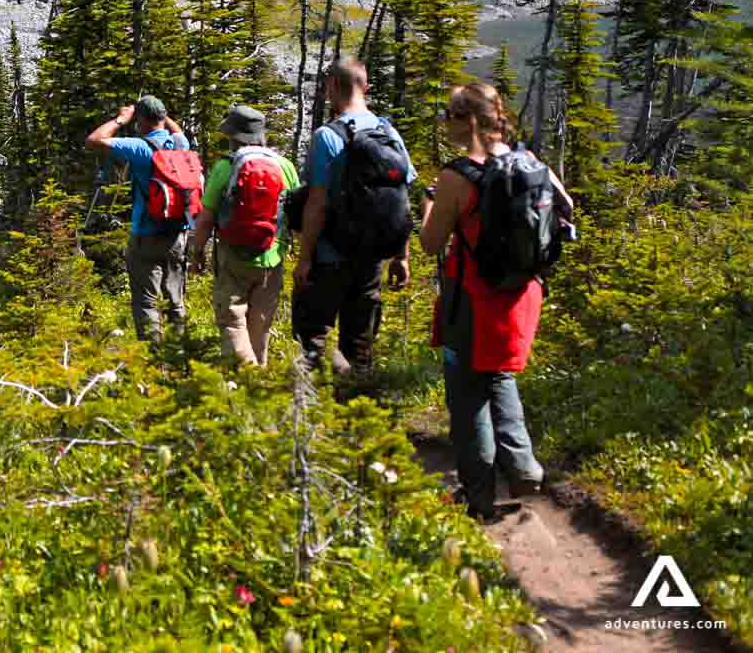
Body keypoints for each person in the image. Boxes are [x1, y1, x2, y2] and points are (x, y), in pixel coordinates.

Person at [419, 82, 572, 521]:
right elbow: (566, 207)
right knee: (499, 375)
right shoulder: (528, 161)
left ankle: (480, 499)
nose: (443, 123)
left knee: (467, 399)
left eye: (449, 115)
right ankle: (523, 468)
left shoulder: (456, 176)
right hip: (522, 294)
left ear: (468, 121)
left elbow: (431, 243)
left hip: (471, 299)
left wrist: (430, 204)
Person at [292, 58, 415, 374]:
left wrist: (304, 258)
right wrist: (402, 257)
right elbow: (401, 201)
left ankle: (307, 412)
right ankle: (359, 413)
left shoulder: (327, 136)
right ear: (366, 87)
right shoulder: (389, 133)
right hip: (372, 258)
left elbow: (317, 204)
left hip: (329, 255)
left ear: (331, 86)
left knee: (312, 340)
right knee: (360, 343)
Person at [191, 105, 300, 366]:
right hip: (272, 257)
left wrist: (196, 253)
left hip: (233, 256)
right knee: (260, 326)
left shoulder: (225, 167)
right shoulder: (285, 166)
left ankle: (248, 378)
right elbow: (299, 216)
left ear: (233, 136)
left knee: (232, 321)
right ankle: (258, 391)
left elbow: (206, 218)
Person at [85, 96, 193, 344]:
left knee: (146, 299)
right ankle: (181, 351)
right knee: (175, 296)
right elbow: (178, 131)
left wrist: (121, 119)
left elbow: (93, 141)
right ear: (162, 119)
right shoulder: (180, 143)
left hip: (146, 232)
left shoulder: (139, 146)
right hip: (178, 233)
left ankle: (153, 357)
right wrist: (164, 117)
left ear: (141, 120)